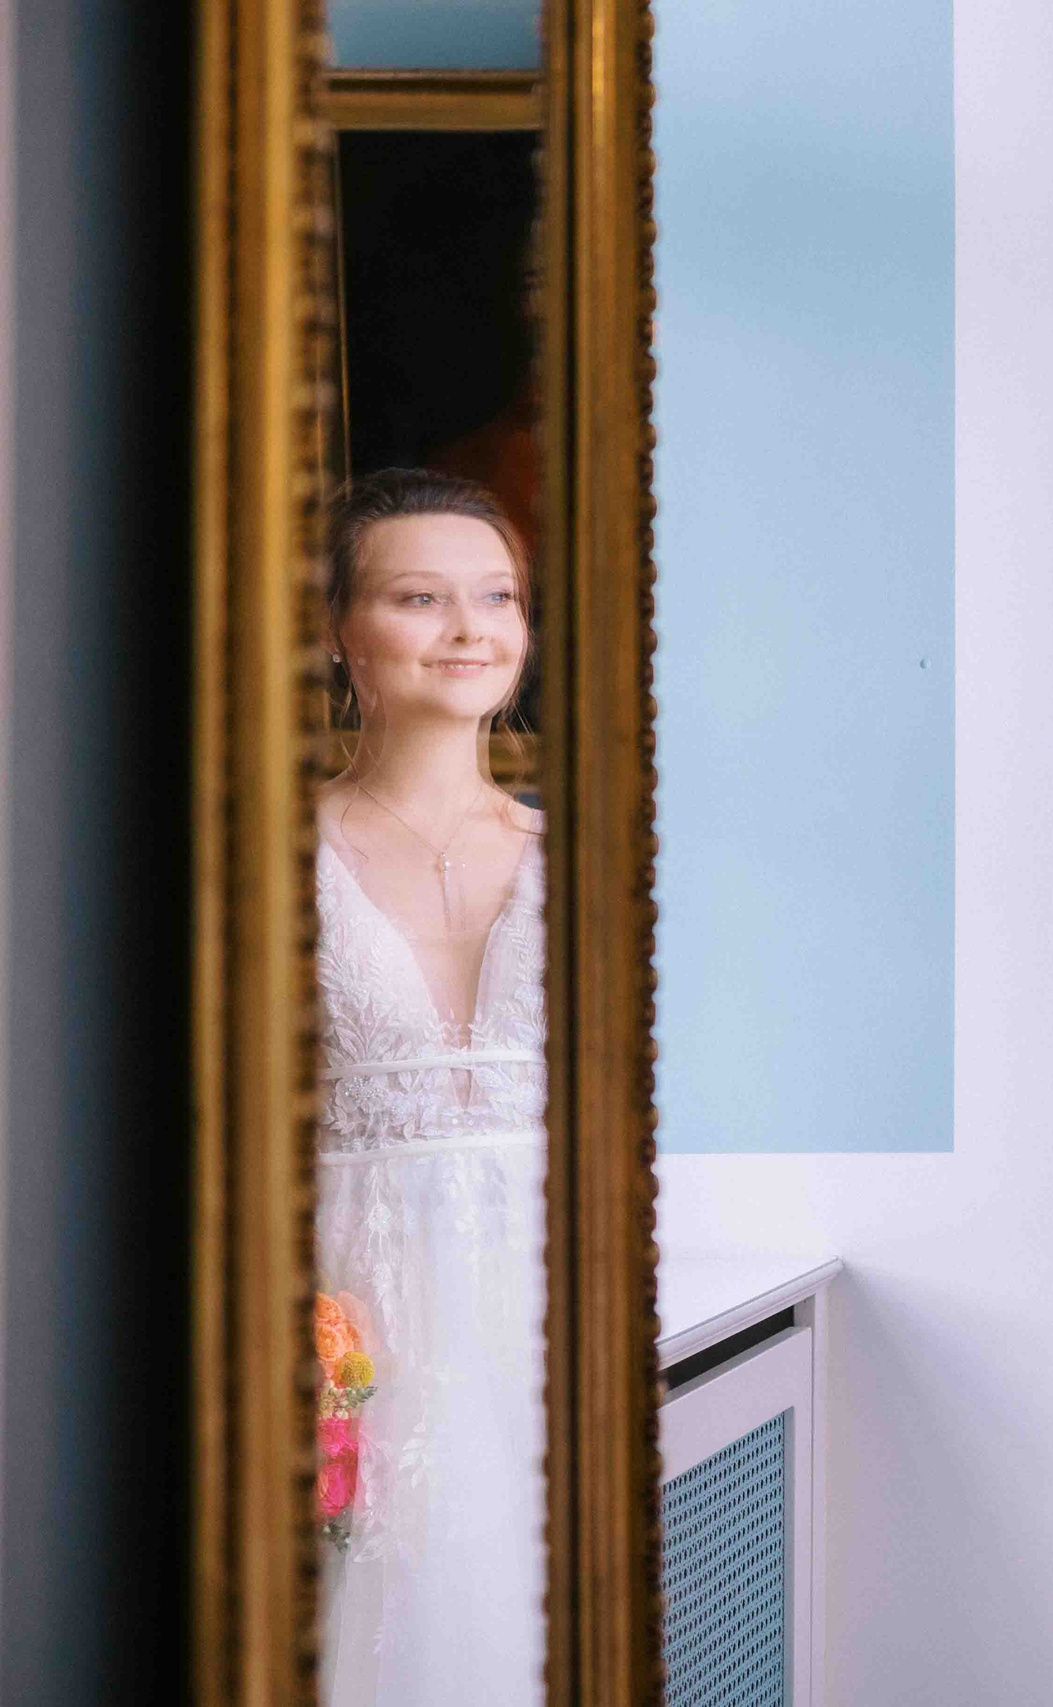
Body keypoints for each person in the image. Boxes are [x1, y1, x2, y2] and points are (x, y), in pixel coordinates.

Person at [312, 469, 547, 1704]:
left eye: (498, 596)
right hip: (358, 1311)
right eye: (420, 597)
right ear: (340, 631)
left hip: (544, 1321)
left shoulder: (582, 861)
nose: (470, 629)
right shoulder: (278, 861)